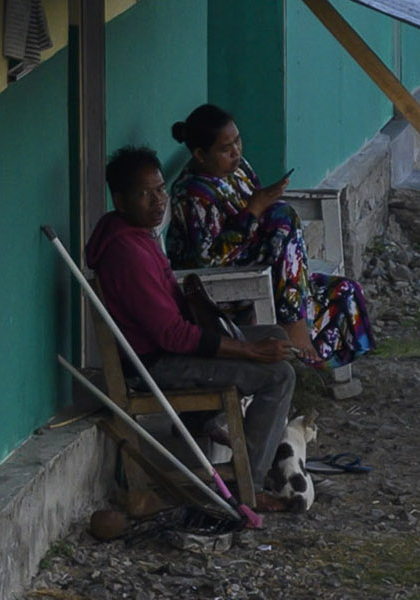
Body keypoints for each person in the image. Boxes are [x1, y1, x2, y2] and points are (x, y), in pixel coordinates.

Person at [90, 144, 308, 509]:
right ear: (120, 199)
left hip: (170, 349)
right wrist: (248, 351)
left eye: (160, 189)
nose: (158, 201)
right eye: (145, 194)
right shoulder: (126, 253)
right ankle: (249, 487)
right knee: (279, 375)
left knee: (275, 336)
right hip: (158, 364)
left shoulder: (132, 232)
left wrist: (219, 324)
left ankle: (200, 419)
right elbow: (172, 335)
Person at [164, 105, 374, 378]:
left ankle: (305, 348)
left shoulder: (238, 170)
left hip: (260, 267)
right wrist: (254, 210)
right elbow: (208, 259)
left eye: (237, 141)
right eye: (226, 148)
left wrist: (264, 202)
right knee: (281, 216)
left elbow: (261, 222)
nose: (236, 152)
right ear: (200, 155)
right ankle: (294, 330)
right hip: (219, 282)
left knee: (345, 290)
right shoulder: (193, 193)